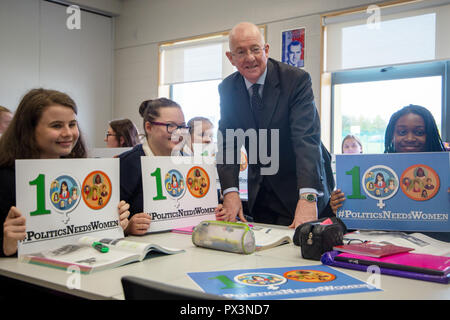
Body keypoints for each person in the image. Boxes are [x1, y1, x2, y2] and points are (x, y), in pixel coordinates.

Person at [217, 22, 334, 229]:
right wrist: (231, 192)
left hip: (299, 183)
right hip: (261, 189)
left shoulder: (296, 80)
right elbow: (229, 142)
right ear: (231, 58)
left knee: (305, 247)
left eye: (255, 49)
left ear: (266, 50)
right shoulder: (228, 89)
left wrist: (307, 197)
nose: (250, 58)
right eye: (240, 52)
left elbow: (305, 140)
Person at [0, 88, 130, 257]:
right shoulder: (5, 177)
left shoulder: (82, 172)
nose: (68, 133)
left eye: (72, 124)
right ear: (29, 129)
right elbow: (9, 248)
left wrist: (113, 222)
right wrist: (6, 245)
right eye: (56, 126)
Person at [330, 104, 448, 241]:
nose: (410, 138)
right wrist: (340, 206)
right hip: (385, 246)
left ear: (431, 135)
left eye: (419, 132)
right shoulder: (374, 170)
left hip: (438, 246)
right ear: (392, 136)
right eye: (402, 132)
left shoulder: (446, 170)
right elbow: (360, 222)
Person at [119, 98, 226, 235]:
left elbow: (209, 204)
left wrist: (217, 211)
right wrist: (127, 227)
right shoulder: (128, 164)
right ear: (149, 127)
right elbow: (108, 219)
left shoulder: (191, 162)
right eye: (171, 126)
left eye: (182, 126)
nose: (178, 132)